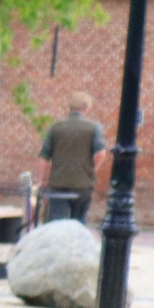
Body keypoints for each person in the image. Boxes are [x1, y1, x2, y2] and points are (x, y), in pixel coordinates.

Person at [40, 91, 106, 223]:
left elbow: (44, 157)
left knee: (57, 222)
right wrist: (92, 168)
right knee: (78, 221)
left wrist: (42, 180)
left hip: (58, 182)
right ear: (86, 108)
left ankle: (58, 243)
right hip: (83, 184)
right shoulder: (93, 128)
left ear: (69, 107)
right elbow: (100, 153)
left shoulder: (56, 127)